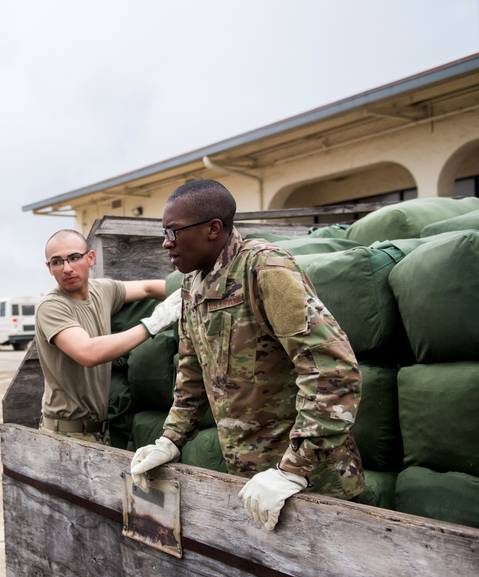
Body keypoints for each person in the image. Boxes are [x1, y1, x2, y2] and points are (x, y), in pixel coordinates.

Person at [129, 180, 364, 531]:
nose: (166, 243)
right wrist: (171, 439)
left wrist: (292, 470)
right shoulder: (193, 286)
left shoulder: (265, 270)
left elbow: (333, 372)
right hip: (252, 481)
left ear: (213, 228)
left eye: (174, 231)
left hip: (314, 483)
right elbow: (192, 371)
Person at [36, 229, 182, 444]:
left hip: (100, 430)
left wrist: (189, 290)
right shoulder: (51, 306)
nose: (67, 268)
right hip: (65, 434)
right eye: (57, 262)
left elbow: (147, 288)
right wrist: (153, 324)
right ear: (49, 268)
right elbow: (88, 353)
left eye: (74, 258)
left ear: (90, 258)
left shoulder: (101, 290)